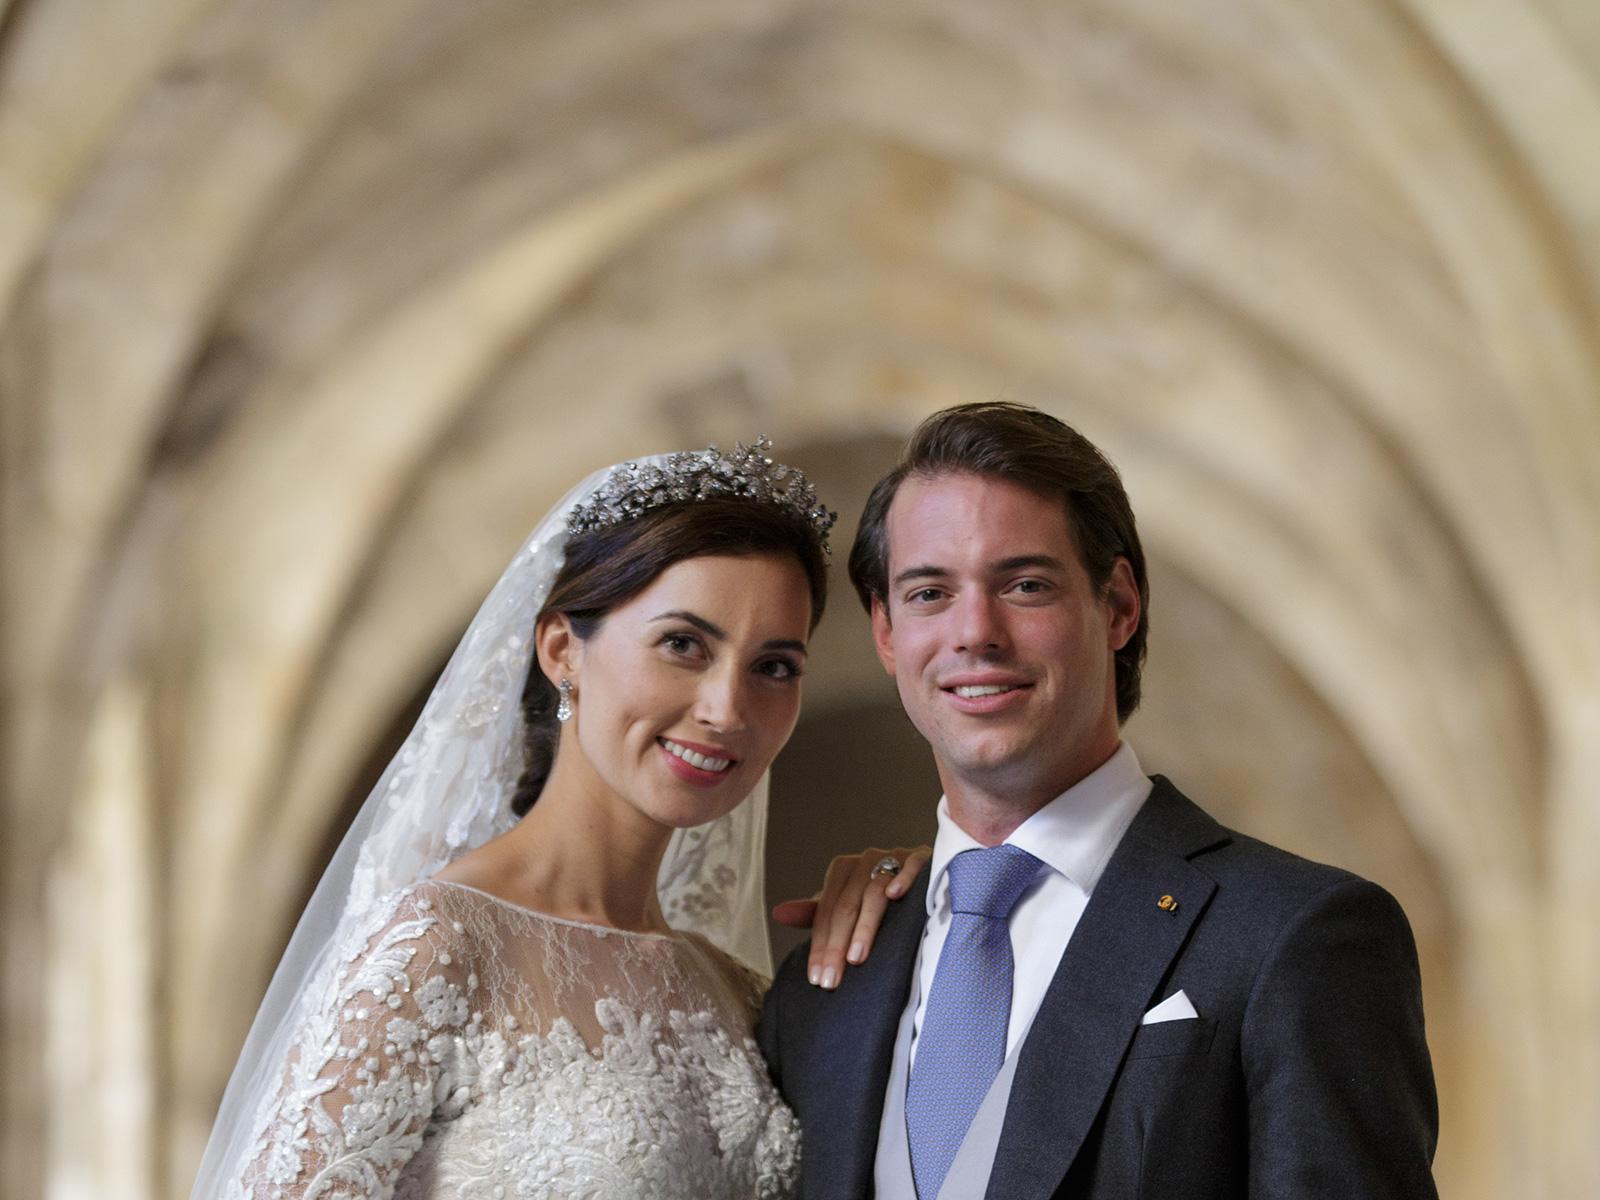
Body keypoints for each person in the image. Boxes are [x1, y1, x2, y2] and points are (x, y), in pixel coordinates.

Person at [191, 441, 920, 1200]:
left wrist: (915, 900)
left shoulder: (738, 994)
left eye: (773, 667)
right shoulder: (436, 949)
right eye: (683, 645)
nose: (726, 709)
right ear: (562, 649)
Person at [758, 404, 1440, 1199]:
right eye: (929, 593)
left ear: (1118, 606)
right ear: (885, 632)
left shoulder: (1297, 934)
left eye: (1025, 584)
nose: (975, 631)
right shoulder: (824, 986)